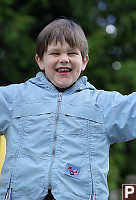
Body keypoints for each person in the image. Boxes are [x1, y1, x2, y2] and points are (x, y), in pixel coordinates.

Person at [0, 18, 136, 200]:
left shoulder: (103, 105)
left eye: (72, 53)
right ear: (40, 61)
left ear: (84, 61)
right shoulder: (13, 98)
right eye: (55, 53)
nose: (64, 59)